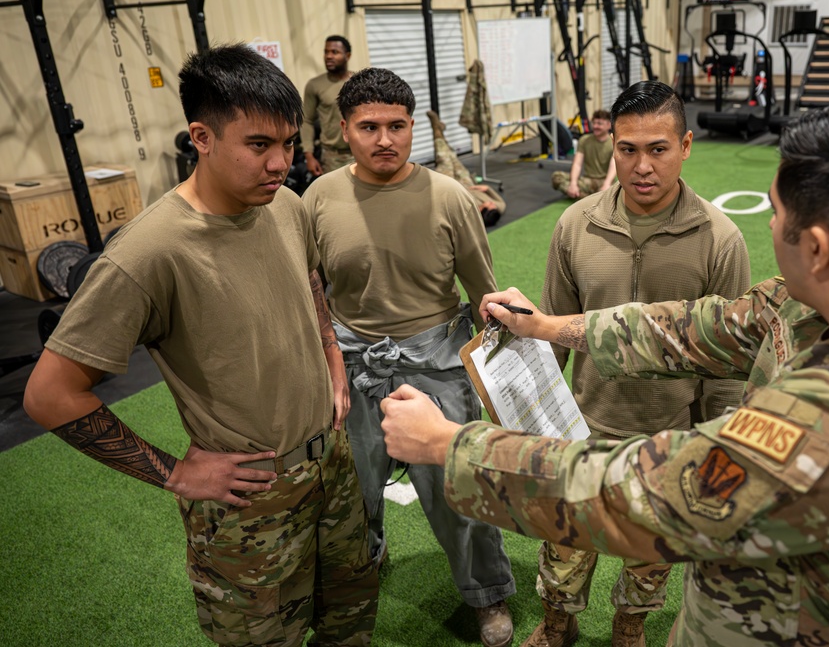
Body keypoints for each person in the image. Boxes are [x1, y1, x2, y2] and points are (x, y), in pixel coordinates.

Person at [380, 102, 829, 646]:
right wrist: (548, 327)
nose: (771, 228)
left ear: (821, 249)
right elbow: (697, 326)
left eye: (778, 215)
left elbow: (641, 495)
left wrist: (449, 445)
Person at [23, 44, 378, 646]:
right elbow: (50, 395)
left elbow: (309, 278)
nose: (279, 162)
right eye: (259, 145)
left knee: (350, 619)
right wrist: (175, 474)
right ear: (202, 138)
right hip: (251, 498)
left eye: (288, 143)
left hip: (333, 466)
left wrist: (331, 353)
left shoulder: (285, 206)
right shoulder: (148, 252)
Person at [527, 81, 751, 647]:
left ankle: (630, 629)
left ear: (686, 146)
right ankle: (558, 625)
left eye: (658, 148)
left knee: (649, 559)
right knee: (562, 550)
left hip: (669, 435)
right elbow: (553, 325)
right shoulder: (576, 225)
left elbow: (729, 360)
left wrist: (717, 442)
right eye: (628, 149)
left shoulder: (719, 240)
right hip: (582, 427)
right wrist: (536, 418)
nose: (642, 165)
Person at [301, 67, 516, 647]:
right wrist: (327, 360)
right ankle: (360, 575)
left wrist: (498, 379)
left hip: (437, 366)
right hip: (353, 369)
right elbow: (310, 285)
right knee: (353, 495)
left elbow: (483, 294)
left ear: (413, 125)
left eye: (397, 125)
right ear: (343, 129)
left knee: (459, 493)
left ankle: (486, 594)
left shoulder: (448, 196)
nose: (385, 139)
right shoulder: (318, 198)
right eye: (369, 126)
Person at [428, 109, 505, 227]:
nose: (490, 203)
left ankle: (436, 129)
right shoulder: (499, 207)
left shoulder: (469, 216)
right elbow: (495, 197)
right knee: (452, 157)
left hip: (451, 187)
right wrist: (486, 188)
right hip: (467, 183)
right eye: (492, 205)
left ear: (481, 211)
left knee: (444, 159)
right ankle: (439, 131)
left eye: (488, 206)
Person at [302, 35, 354, 175]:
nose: (328, 56)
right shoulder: (315, 85)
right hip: (332, 157)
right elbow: (306, 120)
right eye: (326, 52)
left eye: (334, 52)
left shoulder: (358, 82)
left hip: (361, 152)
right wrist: (309, 155)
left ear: (347, 55)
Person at [551, 110, 617, 199]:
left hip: (605, 182)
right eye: (594, 123)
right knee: (557, 177)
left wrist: (607, 184)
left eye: (599, 124)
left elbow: (614, 165)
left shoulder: (614, 142)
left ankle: (586, 198)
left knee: (618, 190)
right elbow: (577, 164)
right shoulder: (584, 140)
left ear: (609, 125)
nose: (595, 126)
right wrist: (573, 184)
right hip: (587, 181)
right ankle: (591, 198)